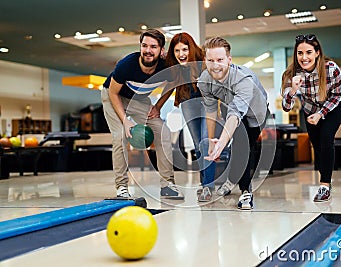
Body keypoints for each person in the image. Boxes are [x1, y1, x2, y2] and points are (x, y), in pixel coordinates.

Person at [101, 29, 184, 200]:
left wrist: (159, 106)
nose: (147, 50)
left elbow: (174, 83)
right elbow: (113, 93)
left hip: (139, 100)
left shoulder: (167, 65)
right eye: (144, 45)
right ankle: (122, 187)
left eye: (153, 47)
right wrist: (125, 121)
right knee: (120, 137)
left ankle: (167, 184)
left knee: (163, 132)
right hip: (113, 97)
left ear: (161, 50)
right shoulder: (126, 65)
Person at [197, 37, 269, 210]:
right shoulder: (204, 80)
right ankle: (240, 186)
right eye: (210, 60)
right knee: (239, 146)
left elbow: (237, 114)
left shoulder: (245, 79)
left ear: (229, 60)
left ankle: (243, 190)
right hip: (230, 112)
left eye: (220, 60)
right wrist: (211, 141)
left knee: (243, 146)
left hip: (255, 115)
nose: (215, 66)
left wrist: (222, 143)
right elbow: (210, 109)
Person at [281, 34, 341, 202]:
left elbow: (336, 96)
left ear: (317, 53)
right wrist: (293, 90)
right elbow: (286, 107)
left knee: (326, 138)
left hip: (334, 105)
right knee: (317, 146)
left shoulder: (331, 69)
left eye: (309, 52)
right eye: (300, 53)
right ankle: (326, 179)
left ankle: (324, 185)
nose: (304, 57)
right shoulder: (291, 74)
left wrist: (321, 114)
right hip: (310, 109)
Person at [161, 32, 216, 202]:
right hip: (187, 103)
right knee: (198, 146)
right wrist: (157, 107)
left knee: (207, 143)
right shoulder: (176, 67)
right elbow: (169, 86)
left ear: (191, 48)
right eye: (177, 51)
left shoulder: (204, 62)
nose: (181, 54)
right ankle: (203, 184)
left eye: (184, 49)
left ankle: (208, 187)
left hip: (207, 103)